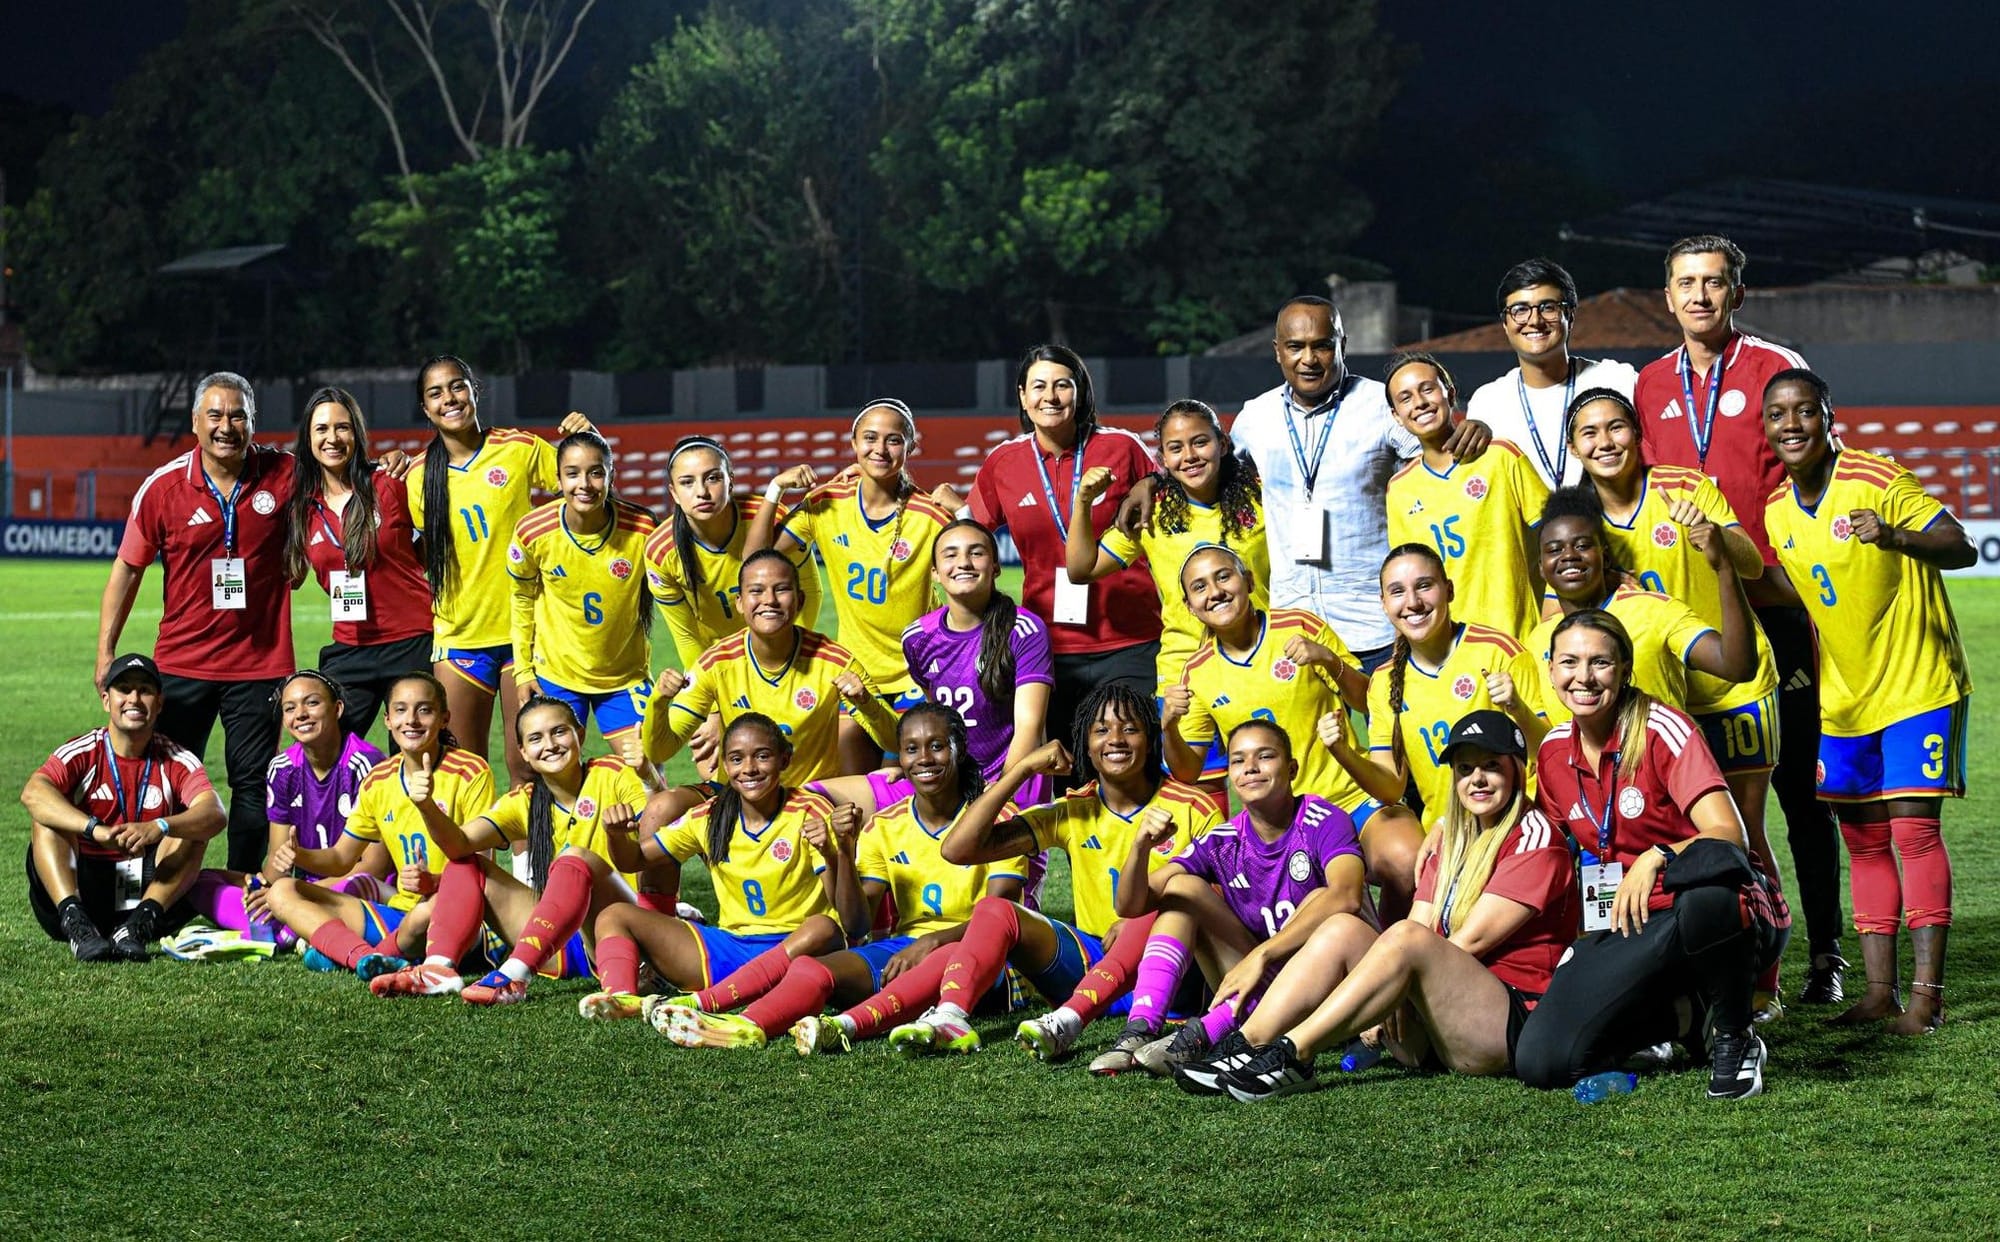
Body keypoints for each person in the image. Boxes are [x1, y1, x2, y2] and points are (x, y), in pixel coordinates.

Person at [1633, 235, 1844, 1003]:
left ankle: (1823, 954)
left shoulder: (1772, 367)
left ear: (1736, 293)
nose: (1699, 296)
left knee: (1797, 791)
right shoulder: (1648, 383)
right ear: (1667, 296)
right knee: (1703, 795)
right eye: (1686, 283)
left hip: (1774, 614)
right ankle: (1725, 956)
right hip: (1689, 628)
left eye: (1714, 283)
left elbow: (1818, 467)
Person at [794, 685, 1218, 1056]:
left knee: (1167, 908)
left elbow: (1214, 901)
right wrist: (1023, 769)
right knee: (994, 911)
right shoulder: (1073, 810)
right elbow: (959, 849)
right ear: (1085, 745)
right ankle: (943, 1017)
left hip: (1163, 974)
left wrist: (1147, 921)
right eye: (1101, 730)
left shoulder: (1193, 805)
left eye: (1130, 729)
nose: (1116, 740)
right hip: (1089, 961)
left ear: (1150, 739)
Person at [1203, 711, 1579, 1100]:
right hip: (1437, 1021)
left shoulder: (1535, 836)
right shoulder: (1450, 840)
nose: (1477, 779)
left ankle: (1293, 1052)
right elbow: (1422, 920)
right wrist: (1388, 989)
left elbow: (1469, 941)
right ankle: (1248, 1044)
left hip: (1504, 1025)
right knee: (1342, 926)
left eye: (1491, 767)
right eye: (1465, 769)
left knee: (1405, 938)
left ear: (1518, 770)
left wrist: (1389, 989)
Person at [1762, 369, 1974, 1034]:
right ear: (1767, 429)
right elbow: (1804, 590)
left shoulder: (1877, 479)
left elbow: (1959, 544)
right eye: (1779, 414)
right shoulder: (1775, 512)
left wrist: (1894, 536)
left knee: (1913, 835)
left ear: (1828, 418)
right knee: (1866, 846)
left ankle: (1926, 999)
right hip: (1845, 703)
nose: (1791, 424)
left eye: (1805, 411)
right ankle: (1879, 994)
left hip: (1917, 685)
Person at [1569, 387, 1788, 1006]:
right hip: (1658, 701)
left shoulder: (1683, 486)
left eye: (1616, 428)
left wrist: (1714, 537)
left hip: (1729, 685)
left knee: (1741, 833)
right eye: (1589, 433)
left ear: (1639, 435)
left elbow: (1747, 563)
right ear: (1574, 448)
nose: (1605, 442)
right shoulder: (1581, 518)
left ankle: (1761, 983)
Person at [1513, 611, 1787, 1101]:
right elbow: (1545, 841)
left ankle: (1734, 1038)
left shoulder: (1663, 729)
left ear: (1623, 669)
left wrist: (1658, 855)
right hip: (1626, 919)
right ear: (1550, 669)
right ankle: (1683, 1018)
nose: (1584, 677)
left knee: (1710, 896)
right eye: (1570, 662)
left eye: (1600, 662)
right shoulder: (1555, 753)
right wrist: (1455, 826)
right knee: (1542, 1061)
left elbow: (1730, 837)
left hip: (1712, 913)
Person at [643, 704, 1033, 1048]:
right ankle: (745, 1026)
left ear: (958, 750)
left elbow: (996, 918)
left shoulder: (999, 821)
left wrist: (932, 941)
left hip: (979, 961)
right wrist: (843, 851)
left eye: (937, 746)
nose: (924, 758)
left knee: (944, 954)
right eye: (912, 749)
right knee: (811, 968)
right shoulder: (885, 826)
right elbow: (857, 923)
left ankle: (845, 1026)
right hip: (905, 952)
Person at [1061, 718, 1366, 1075]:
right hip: (1259, 981)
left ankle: (1206, 1033)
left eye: (1265, 756)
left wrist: (1262, 956)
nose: (1250, 768)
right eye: (1238, 760)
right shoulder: (1223, 840)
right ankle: (1141, 1028)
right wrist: (1141, 846)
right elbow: (1131, 906)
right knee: (1182, 890)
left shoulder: (1323, 820)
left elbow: (1347, 897)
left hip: (1330, 984)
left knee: (1319, 896)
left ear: (1292, 768)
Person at [1212, 297, 1488, 668]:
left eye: (1322, 345)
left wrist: (1477, 432)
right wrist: (1148, 485)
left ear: (1342, 345)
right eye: (1295, 347)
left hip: (1376, 627)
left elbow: (1442, 466)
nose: (1308, 359)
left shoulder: (1382, 405)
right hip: (1294, 630)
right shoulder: (1254, 417)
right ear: (1278, 352)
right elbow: (1208, 477)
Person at [98, 371, 294, 872]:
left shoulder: (286, 474)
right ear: (194, 422)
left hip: (260, 665)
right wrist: (106, 651)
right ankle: (156, 893)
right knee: (168, 782)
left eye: (237, 416)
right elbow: (127, 568)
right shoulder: (162, 488)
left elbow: (346, 479)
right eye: (215, 415)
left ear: (254, 422)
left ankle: (244, 889)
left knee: (251, 783)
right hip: (182, 666)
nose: (226, 426)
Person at [1164, 545, 1424, 920]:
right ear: (1190, 606)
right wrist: (1169, 726)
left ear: (1249, 581)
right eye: (1200, 587)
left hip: (1349, 800)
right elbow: (1187, 771)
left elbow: (1369, 702)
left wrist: (1329, 660)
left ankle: (1397, 955)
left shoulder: (1299, 626)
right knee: (1317, 915)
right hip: (1280, 824)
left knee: (1406, 859)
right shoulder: (1198, 672)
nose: (1215, 591)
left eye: (1224, 576)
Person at [365, 695, 650, 1003]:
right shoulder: (523, 800)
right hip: (557, 945)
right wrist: (427, 807)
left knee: (575, 858)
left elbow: (661, 829)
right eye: (536, 738)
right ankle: (438, 968)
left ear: (580, 735)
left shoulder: (615, 773)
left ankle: (514, 974)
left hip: (617, 935)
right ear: (524, 753)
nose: (550, 744)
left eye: (559, 732)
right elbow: (458, 845)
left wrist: (649, 777)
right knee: (464, 864)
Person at [580, 714, 854, 1014]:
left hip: (797, 949)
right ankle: (622, 1000)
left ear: (784, 759)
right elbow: (634, 860)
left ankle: (707, 1001)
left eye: (762, 756)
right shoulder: (709, 816)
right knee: (613, 915)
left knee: (823, 927)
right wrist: (616, 835)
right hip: (730, 948)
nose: (749, 768)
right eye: (736, 759)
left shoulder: (810, 810)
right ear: (724, 764)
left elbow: (844, 914)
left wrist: (831, 851)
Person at [405, 354, 592, 786]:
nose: (449, 399)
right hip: (460, 637)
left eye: (457, 386)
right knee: (462, 773)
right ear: (425, 408)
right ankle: (470, 857)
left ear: (474, 390)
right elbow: (413, 552)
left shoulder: (518, 449)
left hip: (525, 634)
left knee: (526, 764)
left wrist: (589, 436)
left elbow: (583, 483)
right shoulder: (417, 477)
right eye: (435, 393)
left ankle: (530, 859)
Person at [966, 345, 1162, 753]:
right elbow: (969, 532)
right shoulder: (1004, 462)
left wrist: (1152, 482)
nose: (1050, 397)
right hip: (1046, 644)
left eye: (1062, 385)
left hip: (1128, 638)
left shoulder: (1122, 448)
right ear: (1022, 396)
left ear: (1080, 392)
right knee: (1062, 770)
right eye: (1038, 386)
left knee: (1135, 764)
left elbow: (1170, 491)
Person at [752, 399, 956, 771]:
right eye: (870, 438)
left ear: (911, 446)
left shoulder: (929, 516)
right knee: (852, 789)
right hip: (854, 673)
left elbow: (978, 569)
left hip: (917, 675)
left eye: (893, 440)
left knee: (897, 784)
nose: (880, 449)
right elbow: (756, 565)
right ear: (853, 442)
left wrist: (963, 514)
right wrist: (774, 490)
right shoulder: (826, 504)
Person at [252, 672, 494, 979]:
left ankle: (346, 949)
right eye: (401, 710)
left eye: (424, 709)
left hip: (451, 915)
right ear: (388, 721)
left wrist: (432, 882)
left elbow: (483, 868)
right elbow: (341, 858)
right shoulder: (379, 780)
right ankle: (365, 958)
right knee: (282, 891)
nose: (412, 721)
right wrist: (299, 856)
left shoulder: (471, 771)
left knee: (422, 913)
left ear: (444, 718)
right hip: (398, 911)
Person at [1322, 545, 1547, 830]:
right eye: (1397, 591)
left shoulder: (1498, 652)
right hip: (1445, 834)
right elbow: (1390, 789)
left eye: (1424, 586)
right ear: (1383, 603)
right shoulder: (1384, 682)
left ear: (1449, 590)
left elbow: (1550, 753)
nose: (1412, 602)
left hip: (1514, 825)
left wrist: (1518, 709)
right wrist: (1343, 752)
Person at [22, 654, 225, 961]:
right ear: (106, 700)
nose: (134, 698)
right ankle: (76, 922)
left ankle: (138, 926)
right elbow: (33, 793)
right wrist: (95, 829)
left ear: (158, 703)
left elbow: (215, 813)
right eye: (124, 689)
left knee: (193, 827)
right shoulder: (85, 750)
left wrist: (161, 826)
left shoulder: (176, 758)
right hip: (81, 884)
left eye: (144, 690)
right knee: (47, 816)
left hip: (143, 890)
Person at [635, 551, 899, 785]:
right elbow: (660, 751)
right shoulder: (716, 663)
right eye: (756, 591)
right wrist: (659, 702)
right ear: (739, 602)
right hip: (744, 797)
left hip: (811, 799)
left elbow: (894, 741)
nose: (769, 600)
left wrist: (866, 703)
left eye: (782, 589)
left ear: (801, 599)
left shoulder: (836, 661)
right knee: (661, 812)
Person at [1064, 399, 1269, 696]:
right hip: (1183, 673)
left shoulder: (1264, 498)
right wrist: (1082, 502)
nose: (1189, 456)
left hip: (1260, 660)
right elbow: (1081, 569)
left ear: (1223, 444)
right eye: (1175, 448)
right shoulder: (1151, 513)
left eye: (1200, 442)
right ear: (1163, 458)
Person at [182, 670, 390, 945]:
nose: (300, 714)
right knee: (200, 881)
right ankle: (294, 926)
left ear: (337, 708)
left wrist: (290, 894)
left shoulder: (367, 764)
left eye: (312, 703)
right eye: (289, 708)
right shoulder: (282, 769)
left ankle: (284, 926)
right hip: (300, 889)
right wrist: (261, 889)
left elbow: (375, 867)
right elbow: (277, 863)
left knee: (357, 884)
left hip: (352, 887)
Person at [1528, 486, 1756, 719]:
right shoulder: (1538, 641)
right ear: (1542, 570)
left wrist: (1724, 567)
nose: (1569, 555)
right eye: (1555, 549)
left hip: (1661, 754)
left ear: (1605, 558)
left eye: (1582, 546)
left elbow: (1737, 667)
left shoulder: (1654, 610)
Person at [283, 387, 433, 739]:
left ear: (357, 433)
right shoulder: (301, 508)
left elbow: (435, 539)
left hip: (412, 642)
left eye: (342, 427)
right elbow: (288, 576)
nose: (332, 438)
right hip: (349, 647)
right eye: (321, 429)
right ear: (308, 438)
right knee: (327, 748)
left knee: (416, 756)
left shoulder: (390, 483)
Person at [507, 430, 658, 758]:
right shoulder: (533, 531)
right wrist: (523, 671)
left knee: (645, 774)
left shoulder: (643, 528)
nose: (584, 484)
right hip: (557, 675)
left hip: (624, 678)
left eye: (595, 472)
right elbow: (521, 600)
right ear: (558, 479)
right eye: (572, 474)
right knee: (558, 776)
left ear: (610, 475)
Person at [1384, 353, 1551, 642]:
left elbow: (1557, 537)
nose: (1420, 402)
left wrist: (1554, 610)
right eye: (1405, 398)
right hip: (1450, 649)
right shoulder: (1400, 489)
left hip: (1518, 638)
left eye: (1427, 389)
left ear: (1449, 392)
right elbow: (1407, 579)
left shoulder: (1500, 456)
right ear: (1396, 416)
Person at [901, 518, 1054, 806]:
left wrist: (995, 795)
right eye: (951, 554)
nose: (964, 563)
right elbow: (934, 718)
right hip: (949, 782)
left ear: (995, 567)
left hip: (1015, 783)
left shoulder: (1024, 630)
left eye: (976, 553)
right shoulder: (916, 638)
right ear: (934, 572)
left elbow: (1029, 727)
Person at [644, 435, 822, 672]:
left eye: (713, 478)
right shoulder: (661, 551)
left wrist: (791, 652)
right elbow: (685, 635)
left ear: (731, 482)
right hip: (718, 658)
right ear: (674, 493)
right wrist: (709, 691)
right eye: (687, 482)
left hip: (778, 646)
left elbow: (808, 589)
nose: (702, 492)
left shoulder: (771, 518)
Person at [1464, 258, 1638, 489]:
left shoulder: (1618, 379)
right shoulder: (1487, 402)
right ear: (1505, 323)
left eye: (1548, 308)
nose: (1534, 321)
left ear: (1571, 316)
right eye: (1520, 310)